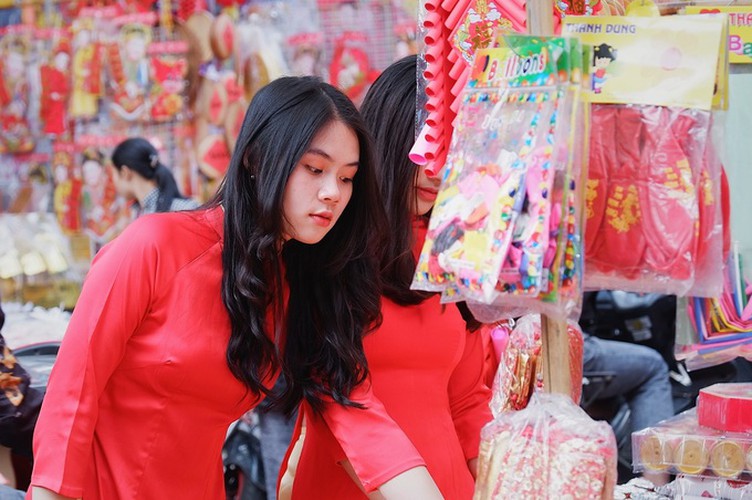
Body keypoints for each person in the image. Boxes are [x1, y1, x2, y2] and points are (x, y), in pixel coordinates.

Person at [28, 76, 438, 500]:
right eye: (315, 169)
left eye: (347, 177)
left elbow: (354, 407)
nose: (332, 192)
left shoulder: (294, 283)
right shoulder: (155, 246)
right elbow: (71, 395)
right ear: (255, 159)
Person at [280, 55, 492, 499]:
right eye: (427, 146)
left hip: (448, 484)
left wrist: (503, 486)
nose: (436, 169)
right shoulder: (331, 244)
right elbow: (340, 396)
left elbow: (468, 400)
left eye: (452, 150)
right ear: (390, 138)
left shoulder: (452, 246)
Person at [110, 137, 199, 215]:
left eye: (114, 173)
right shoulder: (138, 211)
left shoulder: (184, 210)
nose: (114, 181)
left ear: (125, 173)